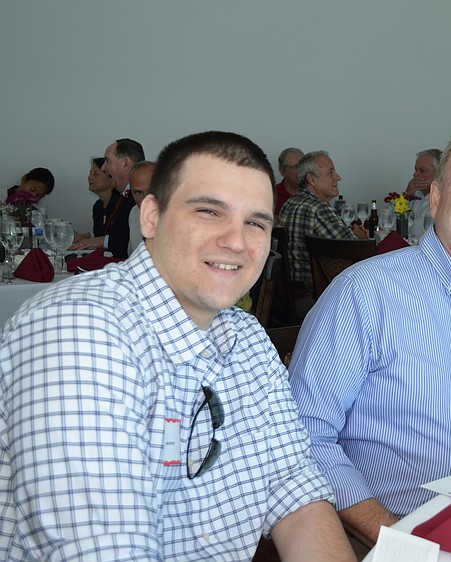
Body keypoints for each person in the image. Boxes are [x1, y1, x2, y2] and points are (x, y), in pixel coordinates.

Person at [0, 131, 355, 561]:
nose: (237, 241)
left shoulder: (246, 337)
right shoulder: (81, 329)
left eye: (256, 222)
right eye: (209, 211)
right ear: (150, 216)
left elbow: (294, 492)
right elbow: (106, 550)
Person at [289, 126, 451, 547]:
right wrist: (402, 540)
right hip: (389, 536)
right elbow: (304, 436)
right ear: (435, 197)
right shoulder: (365, 293)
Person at [278, 150, 368, 289]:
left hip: (291, 294)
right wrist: (362, 239)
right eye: (330, 172)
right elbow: (357, 256)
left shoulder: (289, 204)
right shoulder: (319, 209)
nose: (338, 177)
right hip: (319, 295)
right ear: (312, 179)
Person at [72, 139, 145, 258]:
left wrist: (100, 241)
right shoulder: (124, 196)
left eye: (107, 161)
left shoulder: (140, 200)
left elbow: (133, 246)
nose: (104, 168)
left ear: (125, 163)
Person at [405, 148, 442, 239]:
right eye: (416, 170)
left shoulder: (444, 200)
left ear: (439, 173)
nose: (415, 174)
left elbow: (419, 232)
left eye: (422, 171)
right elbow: (392, 226)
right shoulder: (414, 193)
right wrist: (407, 195)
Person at [127, 160, 155, 252]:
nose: (146, 198)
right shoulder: (134, 213)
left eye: (151, 190)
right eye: (138, 192)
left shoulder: (177, 218)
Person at [86, 157, 118, 237]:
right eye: (90, 173)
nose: (89, 177)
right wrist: (88, 235)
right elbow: (99, 234)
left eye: (96, 174)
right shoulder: (97, 206)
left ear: (111, 178)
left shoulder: (119, 204)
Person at [274, 147, 304, 216]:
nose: (301, 171)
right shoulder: (272, 194)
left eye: (302, 166)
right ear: (282, 171)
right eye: (296, 167)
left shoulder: (314, 192)